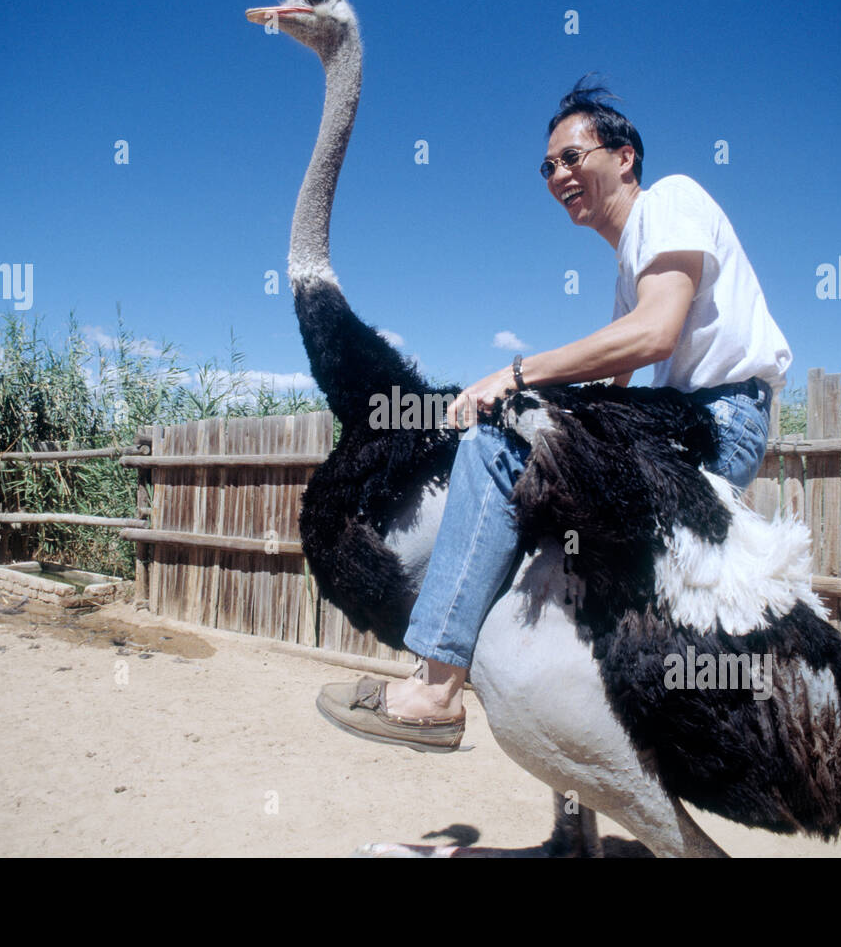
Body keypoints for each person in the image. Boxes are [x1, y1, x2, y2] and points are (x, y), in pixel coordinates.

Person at [316, 78, 792, 751]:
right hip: (693, 416)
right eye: (548, 167)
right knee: (527, 428)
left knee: (497, 446)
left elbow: (654, 335)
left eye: (572, 157)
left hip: (720, 422)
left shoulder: (672, 199)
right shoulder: (631, 266)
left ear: (624, 157)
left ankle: (435, 687)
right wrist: (532, 401)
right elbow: (612, 378)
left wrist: (512, 378)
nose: (559, 174)